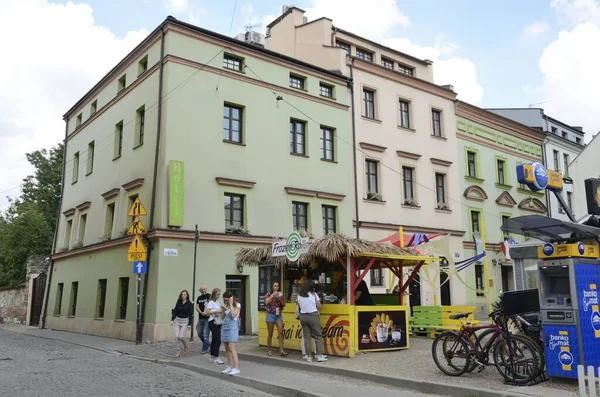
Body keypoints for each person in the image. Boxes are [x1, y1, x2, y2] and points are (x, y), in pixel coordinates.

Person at [297, 280, 327, 363]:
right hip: (312, 316)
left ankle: (309, 356)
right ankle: (319, 355)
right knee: (317, 336)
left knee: (307, 337)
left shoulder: (299, 295)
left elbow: (299, 305)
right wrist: (319, 301)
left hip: (303, 316)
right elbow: (319, 306)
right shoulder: (314, 295)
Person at [264, 282, 288, 357]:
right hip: (270, 314)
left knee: (280, 332)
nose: (276, 287)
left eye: (277, 286)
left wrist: (281, 298)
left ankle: (281, 350)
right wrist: (272, 295)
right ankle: (269, 350)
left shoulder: (280, 294)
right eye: (275, 286)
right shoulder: (268, 294)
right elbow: (266, 302)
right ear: (272, 287)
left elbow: (284, 305)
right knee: (270, 333)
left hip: (278, 315)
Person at [221, 291, 242, 376]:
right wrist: (223, 311)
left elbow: (233, 315)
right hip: (225, 326)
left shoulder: (237, 305)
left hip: (232, 327)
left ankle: (236, 368)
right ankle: (229, 366)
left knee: (231, 347)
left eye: (227, 300)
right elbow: (223, 317)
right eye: (225, 300)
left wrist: (230, 304)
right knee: (226, 347)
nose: (226, 301)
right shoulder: (226, 305)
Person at [170, 289, 193, 358]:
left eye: (185, 294)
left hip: (185, 321)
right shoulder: (179, 302)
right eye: (182, 294)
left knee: (181, 336)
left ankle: (186, 346)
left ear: (187, 296)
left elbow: (190, 314)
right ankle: (178, 351)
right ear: (181, 295)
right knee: (176, 336)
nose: (183, 296)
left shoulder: (189, 304)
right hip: (177, 320)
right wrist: (172, 319)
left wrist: (190, 324)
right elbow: (175, 311)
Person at [205, 288, 224, 364]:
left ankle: (212, 355)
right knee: (217, 340)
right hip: (212, 321)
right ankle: (216, 357)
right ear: (214, 294)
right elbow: (207, 312)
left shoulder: (217, 302)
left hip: (218, 320)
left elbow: (218, 311)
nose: (218, 296)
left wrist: (221, 311)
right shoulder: (211, 302)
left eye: (219, 294)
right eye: (217, 294)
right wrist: (216, 311)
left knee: (214, 339)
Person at [196, 285, 211, 354]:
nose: (203, 290)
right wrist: (201, 312)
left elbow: (212, 305)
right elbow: (197, 307)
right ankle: (208, 343)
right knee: (199, 332)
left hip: (208, 318)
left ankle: (204, 348)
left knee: (205, 334)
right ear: (200, 291)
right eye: (202, 289)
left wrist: (207, 312)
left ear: (206, 289)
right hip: (201, 317)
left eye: (204, 289)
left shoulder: (209, 296)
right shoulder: (199, 297)